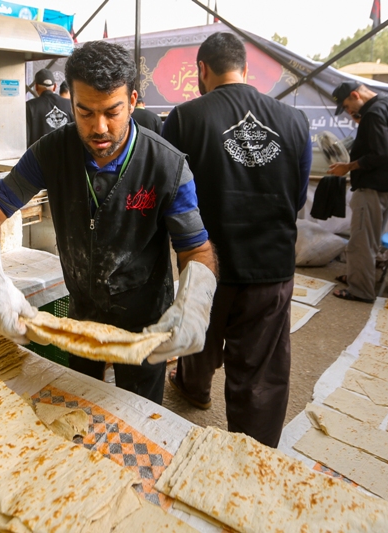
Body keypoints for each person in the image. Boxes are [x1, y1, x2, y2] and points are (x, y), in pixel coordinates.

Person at [0, 41, 218, 405]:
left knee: (137, 410)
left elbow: (195, 248)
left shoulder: (166, 165)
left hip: (145, 320)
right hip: (81, 315)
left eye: (112, 111)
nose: (99, 127)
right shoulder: (52, 152)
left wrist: (194, 304)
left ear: (132, 101)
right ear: (71, 102)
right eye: (85, 112)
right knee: (78, 406)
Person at [161, 32, 312, 448]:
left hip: (207, 259)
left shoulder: (185, 117)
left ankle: (194, 388)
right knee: (261, 367)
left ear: (201, 71)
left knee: (199, 333)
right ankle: (253, 455)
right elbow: (298, 196)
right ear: (246, 71)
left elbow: (169, 192)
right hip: (271, 262)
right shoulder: (294, 121)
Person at [328, 81, 388, 303]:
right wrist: (361, 122)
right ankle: (358, 277)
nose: (348, 111)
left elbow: (381, 154)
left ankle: (360, 290)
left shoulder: (373, 113)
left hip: (373, 186)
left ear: (355, 95)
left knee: (361, 240)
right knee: (370, 239)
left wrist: (348, 167)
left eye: (347, 105)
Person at [26, 68, 74, 147]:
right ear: (55, 86)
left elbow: (26, 138)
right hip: (66, 157)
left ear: (36, 87)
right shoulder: (69, 104)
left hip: (39, 157)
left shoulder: (30, 106)